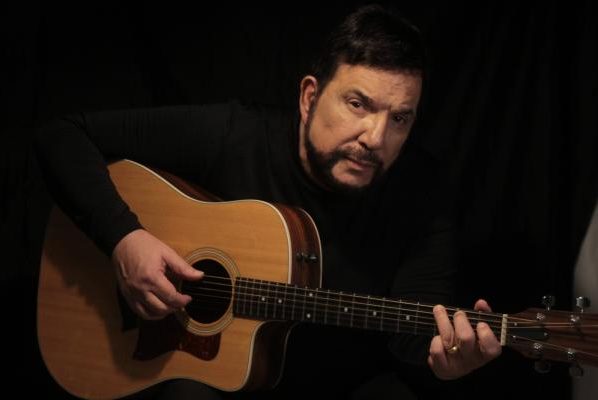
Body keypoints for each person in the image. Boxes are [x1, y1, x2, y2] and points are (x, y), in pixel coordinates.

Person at [35, 4, 501, 399]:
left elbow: (414, 339)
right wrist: (123, 238)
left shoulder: (421, 190)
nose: (375, 138)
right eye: (358, 104)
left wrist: (444, 364)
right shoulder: (236, 136)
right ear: (309, 97)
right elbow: (62, 137)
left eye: (399, 119)